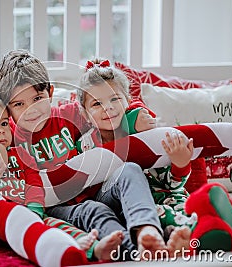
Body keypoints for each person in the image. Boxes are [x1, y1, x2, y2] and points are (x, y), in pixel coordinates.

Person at [0, 49, 168, 260]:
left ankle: (147, 230)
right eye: (19, 104)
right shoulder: (8, 137)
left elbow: (106, 104)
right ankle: (133, 252)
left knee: (129, 170)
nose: (32, 110)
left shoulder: (69, 115)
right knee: (94, 209)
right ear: (6, 109)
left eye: (37, 98)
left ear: (50, 93)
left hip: (98, 191)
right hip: (58, 209)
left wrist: (136, 111)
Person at [0, 93, 124, 261]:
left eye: (4, 123)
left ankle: (92, 248)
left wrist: (35, 212)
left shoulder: (21, 154)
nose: (1, 130)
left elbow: (34, 186)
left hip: (19, 217)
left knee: (54, 225)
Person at [76, 58, 197, 250]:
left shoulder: (147, 131)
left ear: (128, 100)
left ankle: (184, 238)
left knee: (188, 210)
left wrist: (180, 163)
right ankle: (167, 236)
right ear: (85, 114)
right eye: (97, 104)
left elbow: (170, 183)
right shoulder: (85, 145)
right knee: (154, 212)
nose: (108, 107)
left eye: (115, 98)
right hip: (119, 202)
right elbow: (88, 188)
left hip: (164, 197)